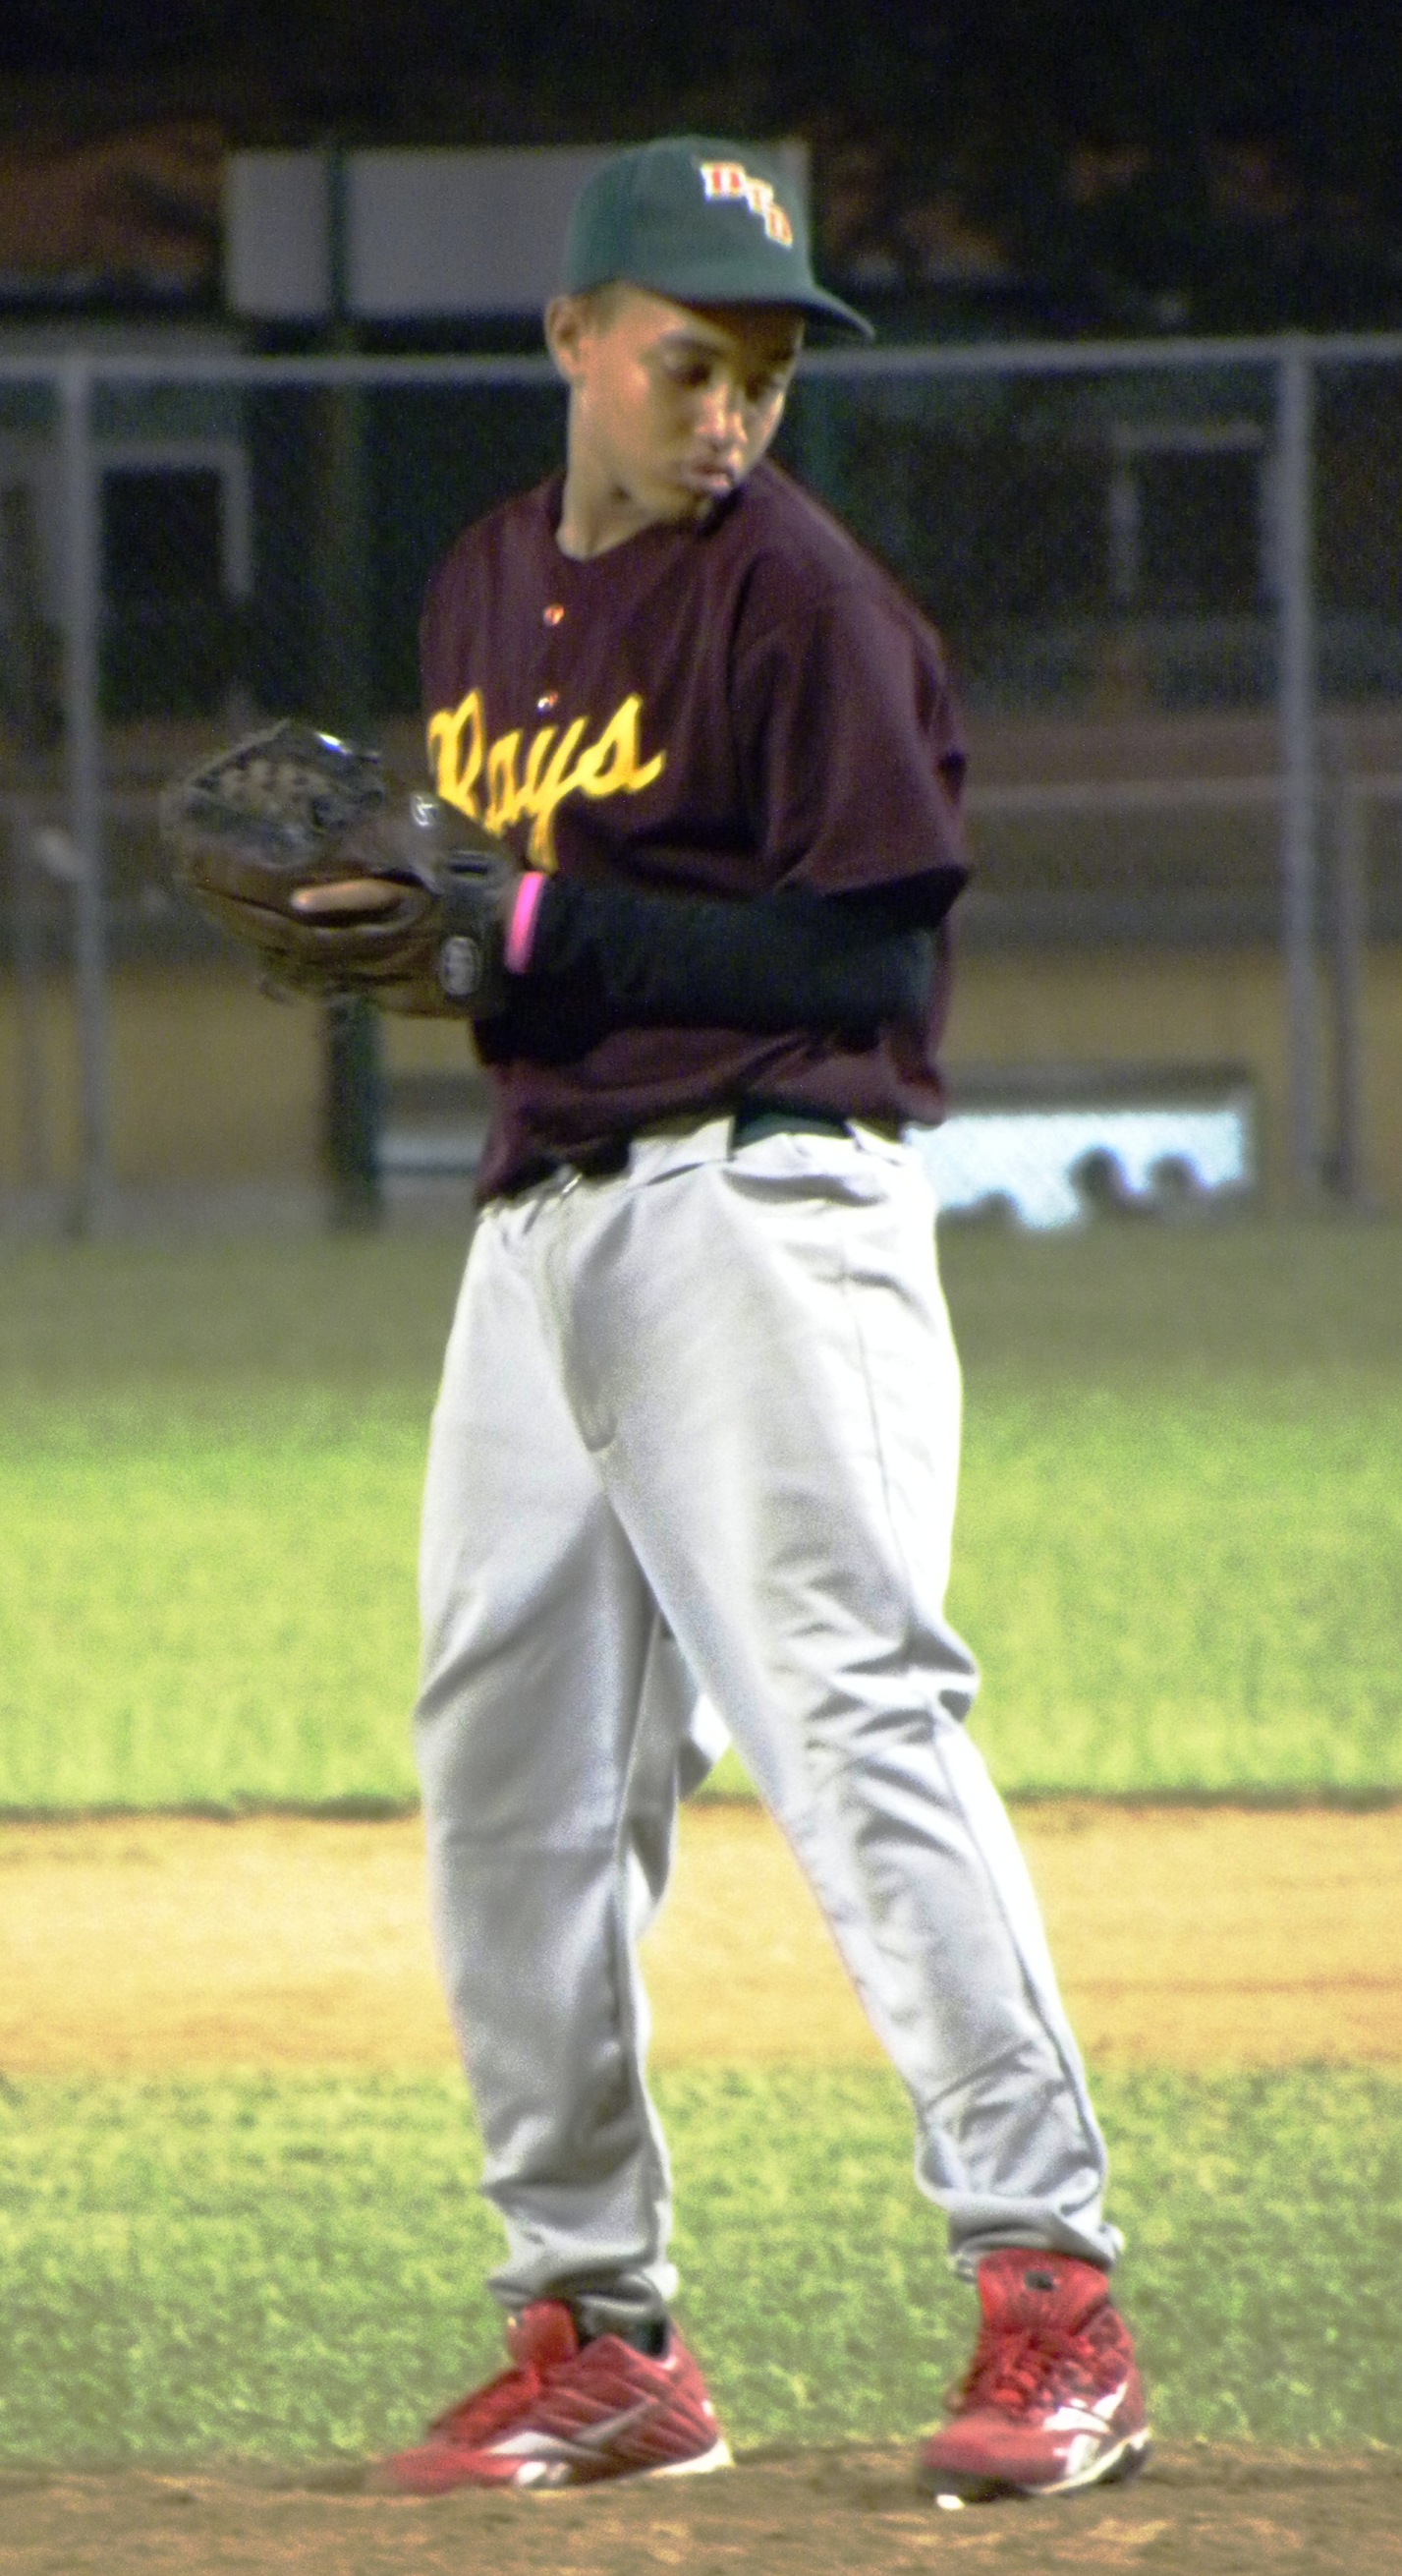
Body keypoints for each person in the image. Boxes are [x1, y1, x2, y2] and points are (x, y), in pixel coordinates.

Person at [376, 135, 1149, 2506]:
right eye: (696, 362)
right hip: (542, 1228)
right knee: (508, 1784)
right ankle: (602, 2333)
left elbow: (867, 960)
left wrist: (521, 936)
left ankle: (1055, 2292)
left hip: (770, 1201)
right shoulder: (481, 590)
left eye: (773, 369)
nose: (735, 415)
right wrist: (403, 936)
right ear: (576, 342)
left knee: (851, 1721)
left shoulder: (810, 606)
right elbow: (509, 936)